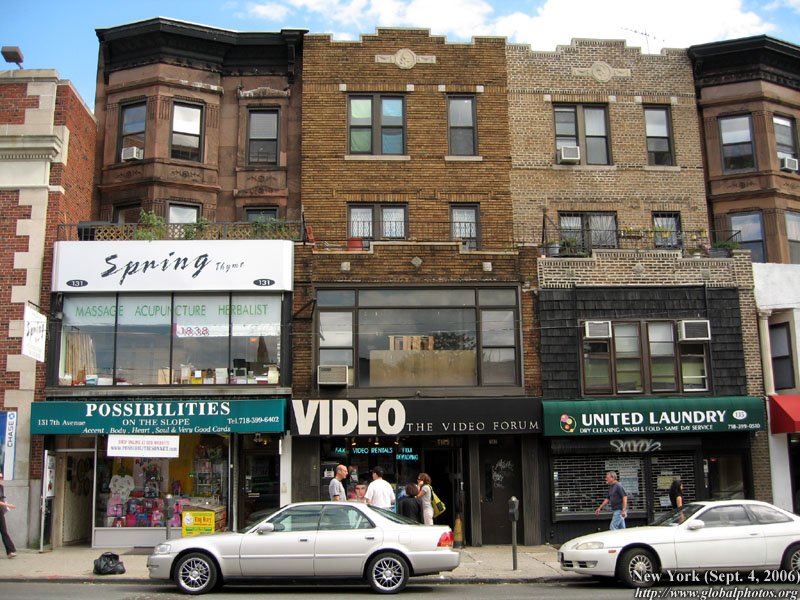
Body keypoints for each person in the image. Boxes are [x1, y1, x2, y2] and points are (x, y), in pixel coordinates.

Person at [0, 472, 17, 558]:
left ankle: (10, 551)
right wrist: (8, 505)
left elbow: (2, 499)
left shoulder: (1, 487)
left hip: (0, 511)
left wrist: (5, 506)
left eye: (1, 477)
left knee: (4, 530)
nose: (1, 479)